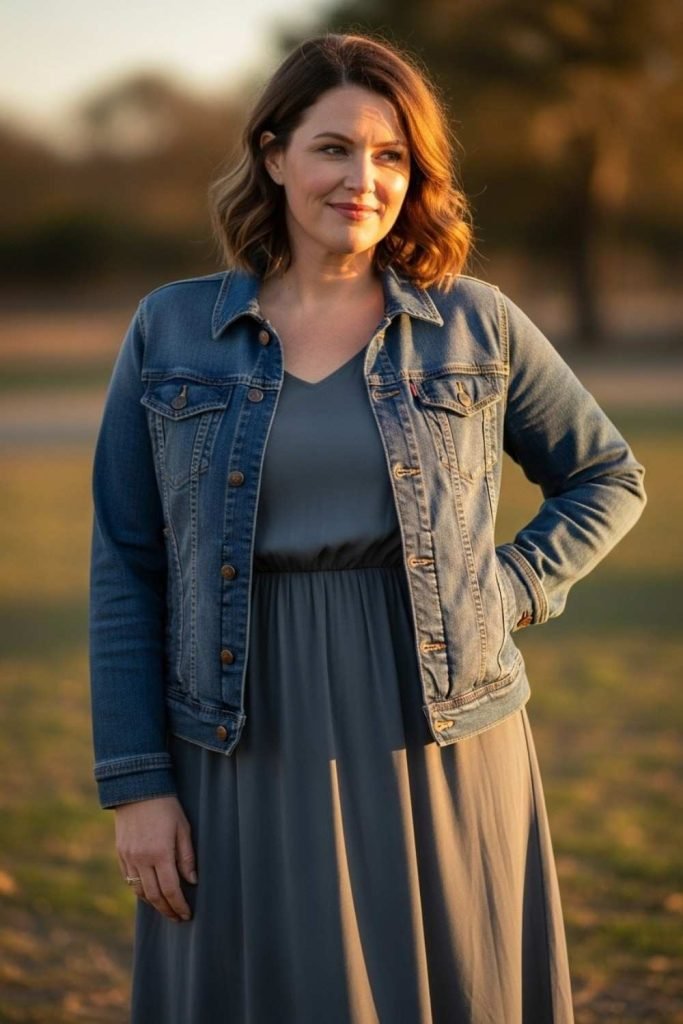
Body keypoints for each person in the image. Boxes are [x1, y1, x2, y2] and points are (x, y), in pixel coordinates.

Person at [88, 31, 647, 1024]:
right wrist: (136, 783)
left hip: (439, 731)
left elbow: (604, 475)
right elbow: (127, 561)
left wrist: (510, 585)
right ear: (272, 155)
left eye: (392, 156)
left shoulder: (475, 325)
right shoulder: (170, 331)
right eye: (333, 148)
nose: (364, 178)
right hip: (234, 736)